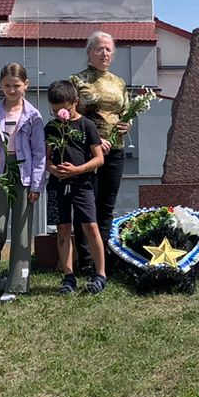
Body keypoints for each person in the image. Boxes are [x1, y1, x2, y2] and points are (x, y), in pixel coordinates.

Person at [0, 62, 46, 299]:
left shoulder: (33, 116)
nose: (12, 89)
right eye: (7, 85)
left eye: (16, 85)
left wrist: (36, 185)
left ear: (26, 85)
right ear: (0, 85)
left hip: (24, 173)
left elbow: (39, 154)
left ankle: (17, 283)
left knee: (21, 231)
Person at [73, 31, 130, 275]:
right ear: (89, 52)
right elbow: (71, 117)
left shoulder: (119, 82)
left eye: (108, 49)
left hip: (116, 150)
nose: (104, 53)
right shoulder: (77, 80)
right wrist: (95, 139)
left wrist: (128, 125)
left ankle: (102, 259)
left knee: (106, 206)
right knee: (87, 206)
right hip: (88, 151)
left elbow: (125, 112)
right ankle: (85, 259)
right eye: (99, 48)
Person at [44, 79, 106, 295]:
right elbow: (47, 158)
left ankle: (100, 274)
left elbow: (99, 159)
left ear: (76, 102)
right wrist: (53, 169)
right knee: (62, 228)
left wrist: (78, 170)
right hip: (58, 184)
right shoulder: (51, 127)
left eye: (65, 109)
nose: (61, 114)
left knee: (90, 226)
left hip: (82, 184)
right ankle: (68, 276)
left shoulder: (87, 125)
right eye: (55, 110)